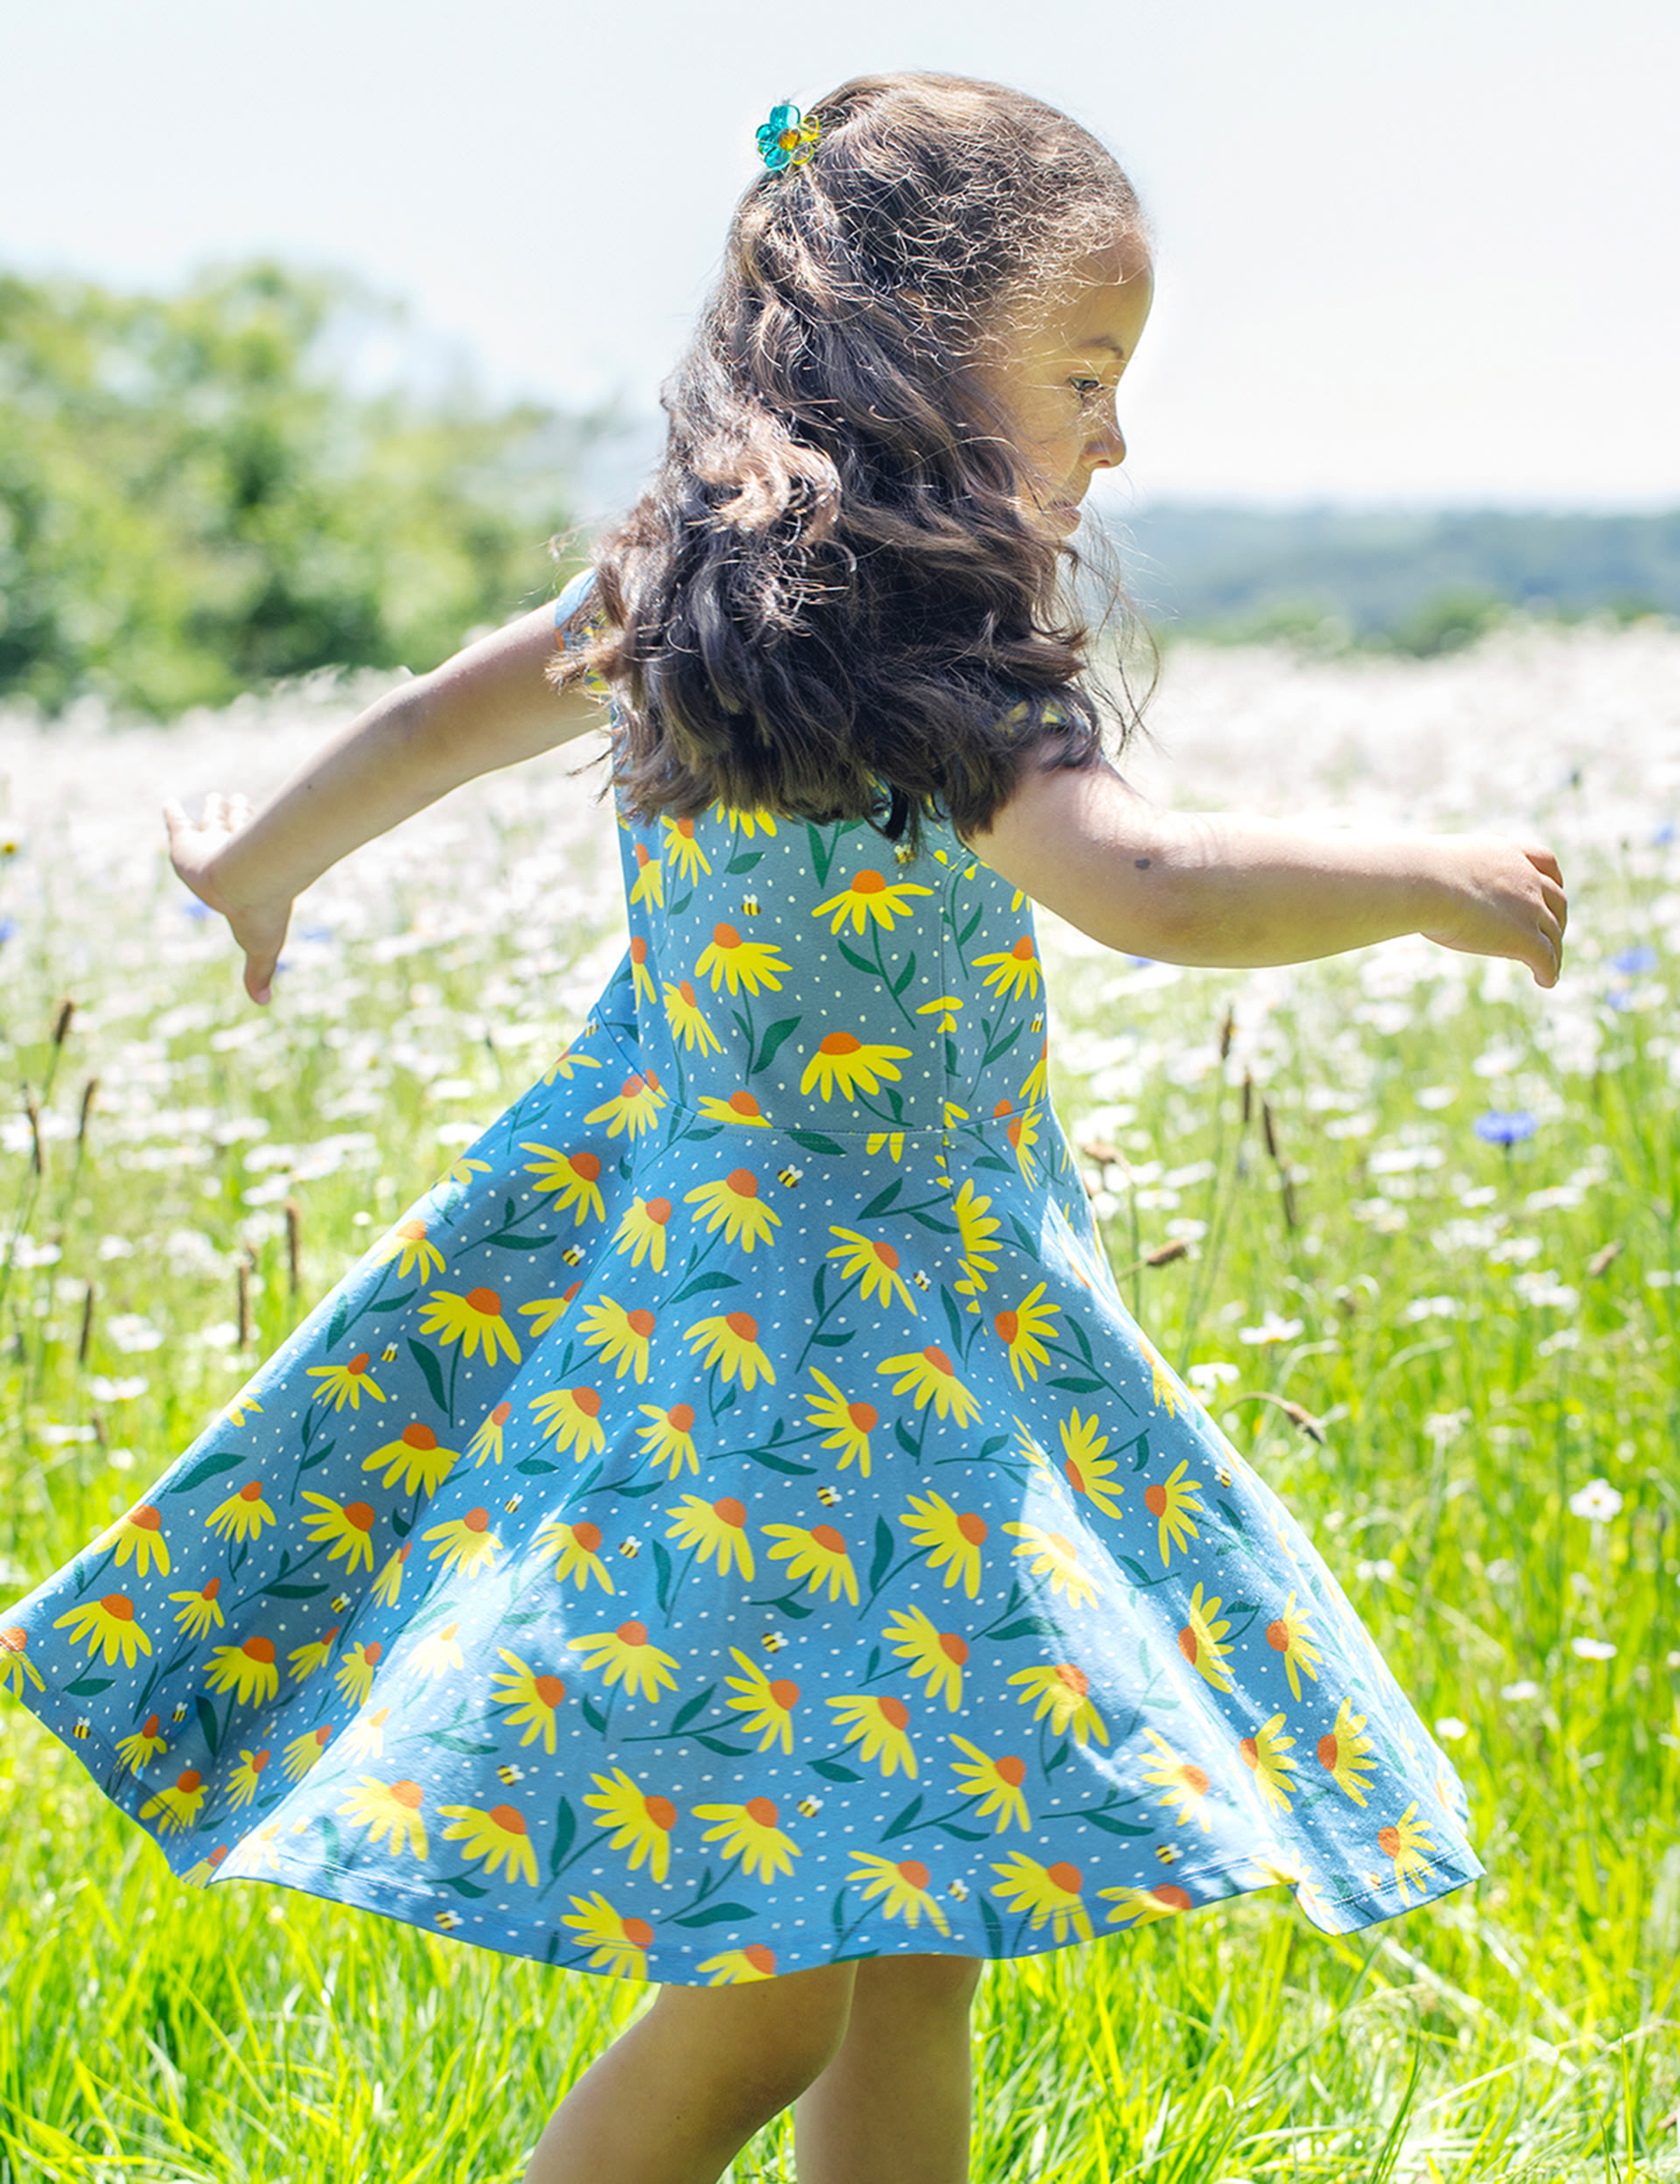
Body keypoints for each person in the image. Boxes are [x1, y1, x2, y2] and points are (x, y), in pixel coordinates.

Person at [1, 71, 1565, 2184]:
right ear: (920, 349)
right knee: (772, 1981)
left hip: (764, 1342)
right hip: (836, 1389)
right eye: (1087, 375)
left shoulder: (675, 589)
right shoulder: (933, 659)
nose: (1116, 439)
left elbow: (437, 716)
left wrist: (255, 863)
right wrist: (1434, 881)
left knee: (912, 1915)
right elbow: (1154, 888)